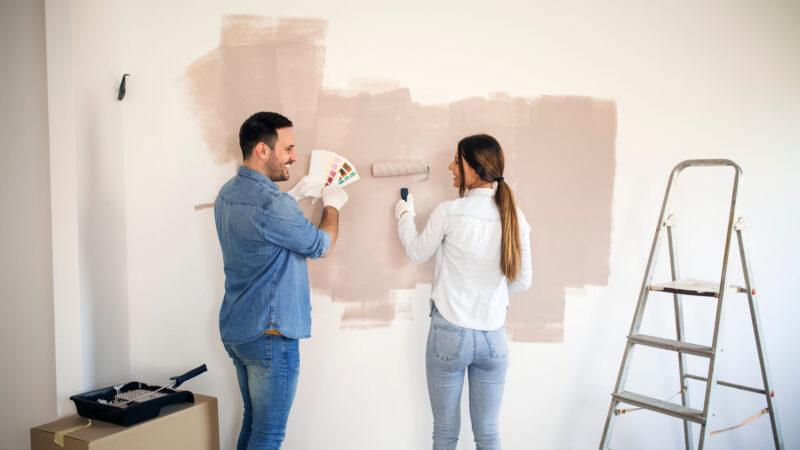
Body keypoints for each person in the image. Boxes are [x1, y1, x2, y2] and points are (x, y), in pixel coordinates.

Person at [214, 112, 348, 450]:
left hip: (238, 330)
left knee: (254, 421)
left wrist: (295, 197)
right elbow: (320, 245)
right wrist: (333, 206)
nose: (294, 156)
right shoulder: (273, 205)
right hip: (271, 336)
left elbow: (260, 233)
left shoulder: (226, 195)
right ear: (262, 150)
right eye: (288, 148)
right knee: (269, 434)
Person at [395, 134, 532, 450]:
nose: (450, 166)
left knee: (445, 433)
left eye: (456, 161)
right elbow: (523, 281)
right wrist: (491, 296)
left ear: (472, 167)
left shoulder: (450, 212)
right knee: (488, 434)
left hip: (450, 335)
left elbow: (417, 252)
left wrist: (404, 213)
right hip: (493, 338)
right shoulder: (515, 216)